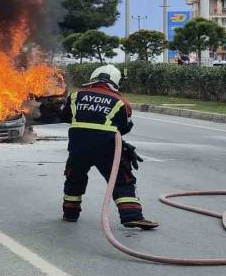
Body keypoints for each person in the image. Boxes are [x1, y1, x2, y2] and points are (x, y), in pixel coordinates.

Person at [59, 64, 159, 229]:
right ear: (115, 81)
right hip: (106, 148)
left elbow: (65, 116)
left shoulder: (76, 95)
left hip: (78, 147)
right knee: (121, 179)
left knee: (74, 177)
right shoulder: (120, 102)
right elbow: (124, 127)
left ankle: (70, 213)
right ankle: (132, 216)